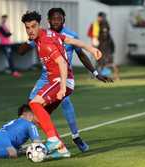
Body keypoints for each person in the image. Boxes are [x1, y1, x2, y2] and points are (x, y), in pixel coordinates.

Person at [19, 8, 112, 153]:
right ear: (48, 21)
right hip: (50, 78)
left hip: (61, 79)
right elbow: (69, 40)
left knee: (37, 103)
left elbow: (63, 62)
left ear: (64, 19)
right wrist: (92, 48)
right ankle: (61, 150)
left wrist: (63, 87)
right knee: (38, 115)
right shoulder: (47, 34)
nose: (30, 30)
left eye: (33, 27)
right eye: (27, 28)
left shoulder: (46, 41)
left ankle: (63, 138)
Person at [88, 12, 120, 80]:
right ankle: (92, 76)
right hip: (96, 45)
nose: (103, 18)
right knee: (94, 61)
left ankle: (103, 75)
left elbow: (108, 35)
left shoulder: (106, 24)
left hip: (104, 46)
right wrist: (94, 39)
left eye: (104, 17)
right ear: (99, 17)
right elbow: (89, 33)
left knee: (103, 62)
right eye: (102, 17)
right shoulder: (94, 24)